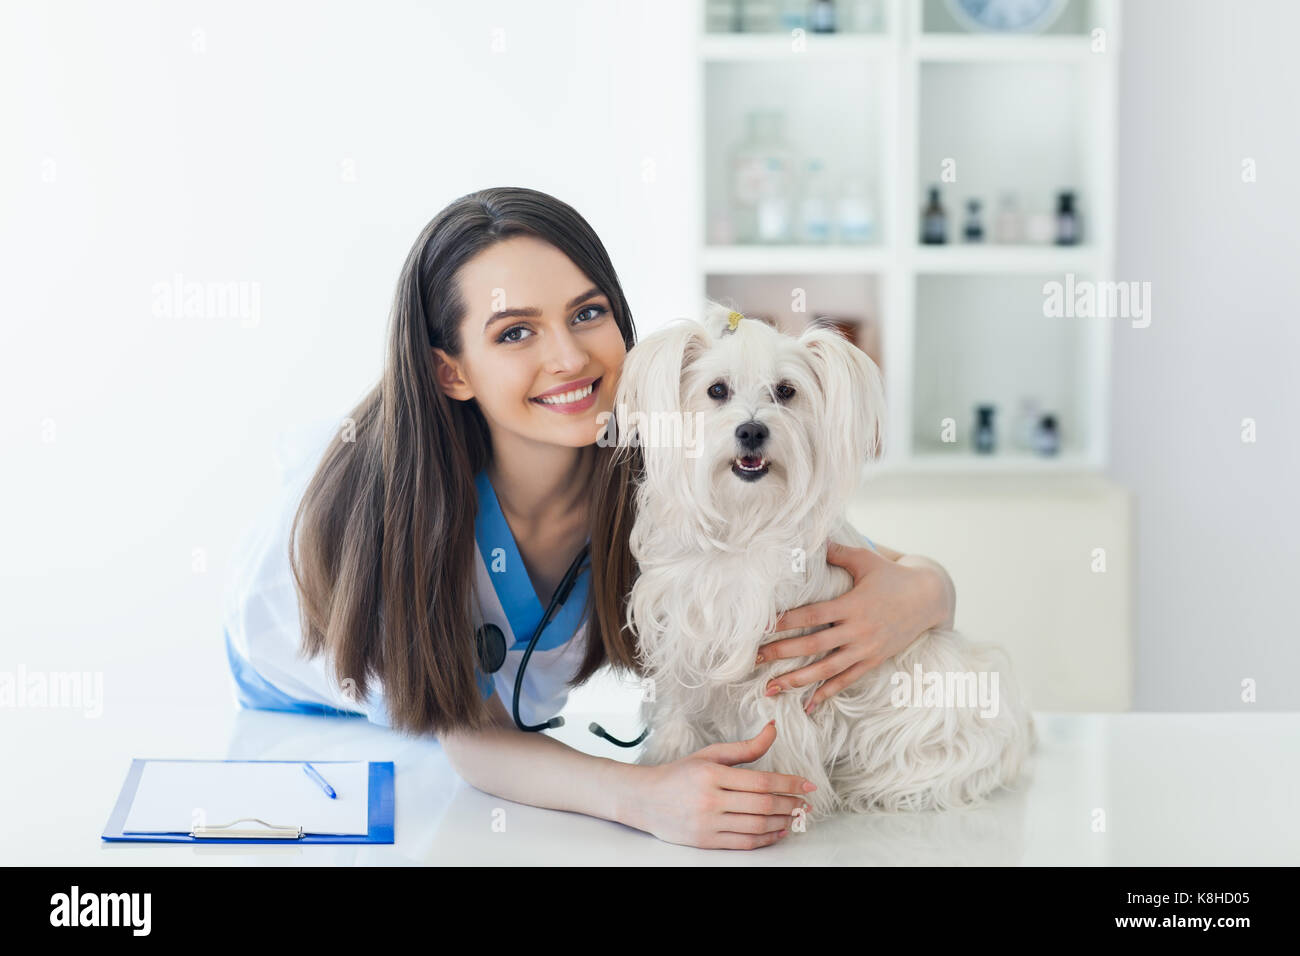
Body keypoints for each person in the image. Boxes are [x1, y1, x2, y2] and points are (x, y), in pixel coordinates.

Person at [221, 186, 957, 850]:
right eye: (515, 332)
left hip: (462, 743)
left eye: (586, 313)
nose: (569, 357)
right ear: (451, 370)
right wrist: (642, 797)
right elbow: (469, 734)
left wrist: (926, 592)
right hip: (297, 708)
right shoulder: (397, 506)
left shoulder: (666, 458)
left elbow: (840, 554)